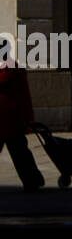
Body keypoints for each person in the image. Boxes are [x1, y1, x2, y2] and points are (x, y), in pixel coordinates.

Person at [0, 56, 42, 192]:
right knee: (20, 152)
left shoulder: (9, 69)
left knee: (19, 152)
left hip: (9, 118)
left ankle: (33, 180)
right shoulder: (12, 66)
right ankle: (33, 180)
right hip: (11, 119)